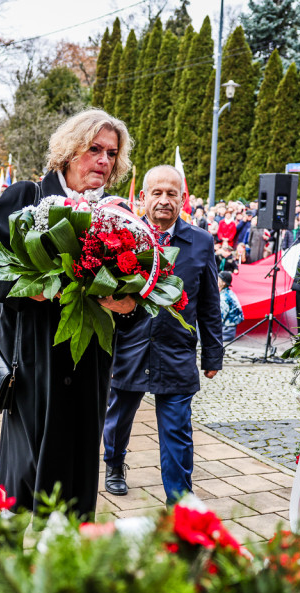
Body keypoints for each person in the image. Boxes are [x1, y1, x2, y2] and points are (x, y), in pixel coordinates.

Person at [0, 109, 135, 518]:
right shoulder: (27, 196)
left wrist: (129, 305)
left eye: (112, 153)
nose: (104, 160)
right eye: (94, 149)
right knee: (25, 472)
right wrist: (29, 290)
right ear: (69, 150)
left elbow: (137, 287)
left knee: (77, 472)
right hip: (33, 356)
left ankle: (66, 547)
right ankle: (13, 546)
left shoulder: (116, 213)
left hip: (90, 361)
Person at [102, 165, 222, 501]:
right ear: (143, 197)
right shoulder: (122, 238)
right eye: (157, 193)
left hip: (176, 350)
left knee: (177, 428)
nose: (164, 200)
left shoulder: (201, 242)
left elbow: (209, 303)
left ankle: (179, 499)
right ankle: (114, 464)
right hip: (130, 347)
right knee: (118, 417)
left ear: (183, 199)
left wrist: (213, 354)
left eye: (172, 193)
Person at [219, 271, 244, 344]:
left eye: (218, 279)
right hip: (231, 329)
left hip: (226, 331)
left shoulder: (224, 297)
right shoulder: (229, 292)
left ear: (223, 283)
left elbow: (220, 317)